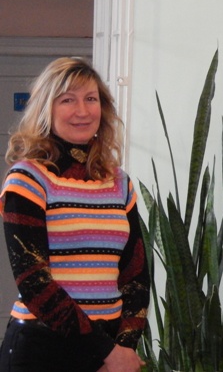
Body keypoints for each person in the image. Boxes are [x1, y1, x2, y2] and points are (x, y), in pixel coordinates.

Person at [0, 57, 150, 372]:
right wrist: (108, 351)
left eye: (90, 99)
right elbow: (33, 281)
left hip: (109, 351)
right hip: (42, 350)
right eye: (67, 100)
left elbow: (136, 275)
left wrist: (124, 348)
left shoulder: (119, 182)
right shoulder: (27, 179)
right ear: (46, 109)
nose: (82, 111)